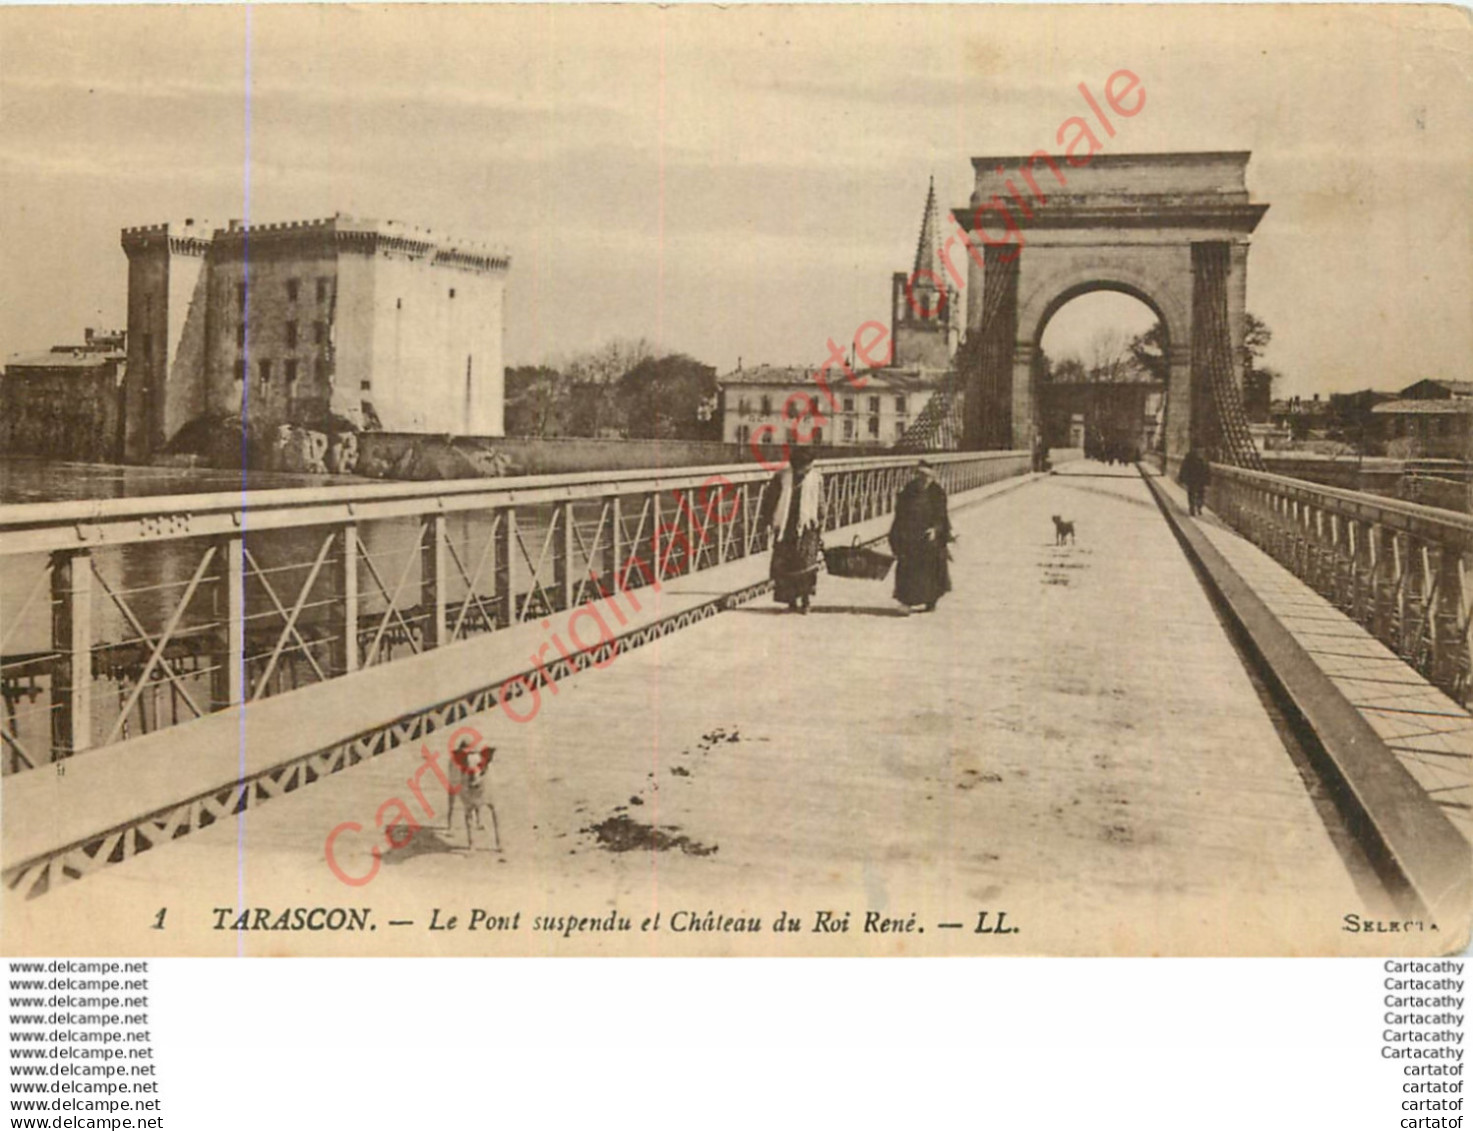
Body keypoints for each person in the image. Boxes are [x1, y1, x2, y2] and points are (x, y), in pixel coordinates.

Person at [759, 446, 824, 613]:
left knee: (806, 565)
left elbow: (820, 505)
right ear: (798, 465)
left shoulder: (816, 479)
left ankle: (806, 600)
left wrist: (821, 526)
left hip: (807, 527)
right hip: (786, 527)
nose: (810, 468)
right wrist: (767, 521)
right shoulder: (781, 478)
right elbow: (769, 501)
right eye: (808, 464)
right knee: (787, 565)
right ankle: (791, 600)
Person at [888, 460, 953, 613]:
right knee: (907, 567)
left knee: (932, 568)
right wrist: (898, 533)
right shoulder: (908, 490)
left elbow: (942, 515)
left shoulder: (937, 492)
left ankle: (931, 600)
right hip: (910, 534)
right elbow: (900, 513)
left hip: (929, 536)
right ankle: (906, 602)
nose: (924, 479)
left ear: (932, 477)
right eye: (921, 475)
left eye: (927, 476)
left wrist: (936, 529)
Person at [1180, 446, 1211, 516]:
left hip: (1197, 479)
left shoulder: (1203, 457)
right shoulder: (1202, 456)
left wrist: (1182, 478)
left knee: (1196, 494)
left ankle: (1196, 507)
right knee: (1196, 494)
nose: (1200, 450)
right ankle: (1194, 507)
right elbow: (1184, 467)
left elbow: (1207, 469)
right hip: (1195, 479)